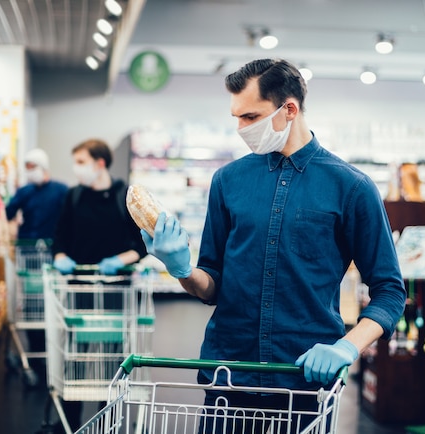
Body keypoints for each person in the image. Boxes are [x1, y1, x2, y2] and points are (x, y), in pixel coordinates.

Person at [141, 58, 406, 432]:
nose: (240, 129)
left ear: (290, 109)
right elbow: (212, 284)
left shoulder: (352, 188)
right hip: (228, 377)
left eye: (250, 117)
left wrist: (348, 346)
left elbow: (389, 290)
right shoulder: (227, 181)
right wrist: (183, 270)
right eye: (236, 117)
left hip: (302, 385)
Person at [51, 138, 148, 431]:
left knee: (112, 361)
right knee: (75, 357)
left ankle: (107, 422)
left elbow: (141, 246)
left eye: (81, 162)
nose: (76, 169)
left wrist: (119, 260)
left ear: (100, 163)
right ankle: (69, 422)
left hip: (116, 290)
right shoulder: (73, 196)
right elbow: (60, 239)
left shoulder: (124, 196)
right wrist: (60, 257)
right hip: (79, 289)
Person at [5, 148, 68, 354]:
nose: (30, 172)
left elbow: (70, 217)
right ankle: (35, 347)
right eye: (27, 168)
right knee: (32, 297)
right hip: (28, 250)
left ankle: (53, 345)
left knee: (52, 296)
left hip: (53, 250)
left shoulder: (61, 190)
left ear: (43, 167)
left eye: (33, 167)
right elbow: (9, 211)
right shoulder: (25, 191)